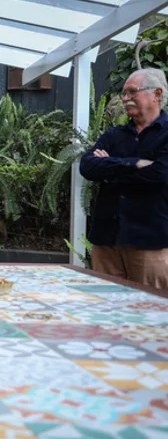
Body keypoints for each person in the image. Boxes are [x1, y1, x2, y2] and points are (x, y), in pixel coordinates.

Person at [79, 68, 168, 288]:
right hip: (106, 240)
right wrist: (133, 163)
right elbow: (88, 166)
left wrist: (109, 167)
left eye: (132, 92)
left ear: (157, 94)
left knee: (151, 311)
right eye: (124, 93)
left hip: (150, 241)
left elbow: (160, 174)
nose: (125, 99)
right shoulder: (114, 135)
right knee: (105, 307)